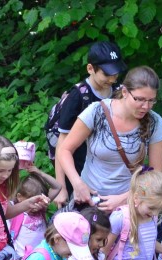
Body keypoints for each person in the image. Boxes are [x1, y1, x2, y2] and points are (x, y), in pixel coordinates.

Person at [57, 66, 162, 213]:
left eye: (151, 101)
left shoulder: (155, 123)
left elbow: (156, 177)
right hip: (89, 200)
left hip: (128, 205)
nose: (146, 106)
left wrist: (125, 199)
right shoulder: (97, 111)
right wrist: (77, 184)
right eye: (140, 99)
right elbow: (64, 150)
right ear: (124, 92)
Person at [53, 41, 127, 207]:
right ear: (90, 69)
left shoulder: (120, 92)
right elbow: (61, 144)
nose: (112, 78)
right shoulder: (77, 97)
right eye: (107, 74)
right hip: (77, 162)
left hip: (104, 166)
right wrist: (61, 188)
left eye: (116, 73)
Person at [10, 165, 62, 257]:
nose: (36, 204)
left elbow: (57, 187)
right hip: (20, 257)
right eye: (32, 200)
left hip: (40, 256)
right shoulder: (15, 211)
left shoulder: (41, 208)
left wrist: (40, 173)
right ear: (19, 197)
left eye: (39, 200)